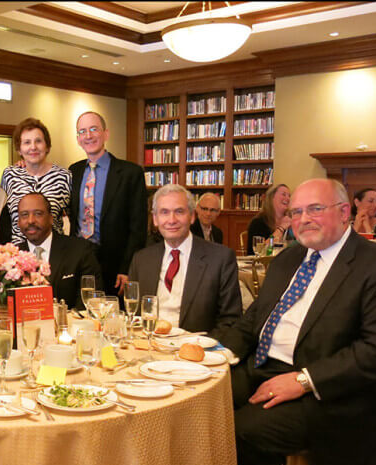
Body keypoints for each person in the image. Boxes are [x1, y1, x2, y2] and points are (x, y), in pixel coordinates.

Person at [225, 178, 376, 465]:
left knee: (242, 431)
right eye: (296, 212)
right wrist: (218, 354)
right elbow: (254, 319)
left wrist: (303, 380)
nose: (303, 219)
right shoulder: (288, 258)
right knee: (201, 402)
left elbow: (375, 349)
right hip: (260, 365)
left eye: (315, 209)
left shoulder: (372, 264)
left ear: (344, 211)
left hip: (326, 388)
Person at [127, 185, 241, 339]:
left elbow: (231, 320)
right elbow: (133, 315)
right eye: (164, 212)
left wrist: (201, 347)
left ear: (192, 216)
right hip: (149, 347)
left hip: (196, 351)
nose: (171, 220)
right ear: (155, 219)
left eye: (179, 212)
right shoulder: (141, 259)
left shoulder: (220, 258)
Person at [69, 111, 147, 296]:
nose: (88, 136)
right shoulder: (74, 171)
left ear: (106, 134)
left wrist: (127, 267)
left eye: (94, 129)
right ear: (78, 139)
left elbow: (138, 226)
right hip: (80, 259)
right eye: (82, 131)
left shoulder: (130, 173)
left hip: (115, 264)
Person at [16, 192, 103, 310]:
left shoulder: (80, 250)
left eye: (38, 214)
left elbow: (91, 301)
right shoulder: (10, 257)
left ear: (51, 218)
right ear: (18, 222)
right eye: (24, 215)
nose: (31, 220)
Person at [0, 117, 71, 245]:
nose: (33, 147)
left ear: (47, 146)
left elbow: (75, 218)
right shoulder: (10, 175)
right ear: (19, 149)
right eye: (27, 142)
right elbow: (4, 220)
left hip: (54, 253)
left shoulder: (64, 176)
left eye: (38, 141)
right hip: (17, 254)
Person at [246, 184, 293, 255]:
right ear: (271, 198)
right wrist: (281, 228)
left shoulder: (291, 221)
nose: (288, 198)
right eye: (284, 194)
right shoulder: (258, 222)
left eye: (289, 196)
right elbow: (260, 252)